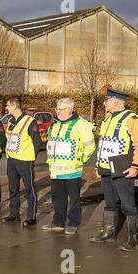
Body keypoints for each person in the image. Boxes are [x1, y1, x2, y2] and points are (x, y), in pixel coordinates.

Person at [90, 88, 138, 252]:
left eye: (106, 100)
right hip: (106, 169)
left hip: (123, 169)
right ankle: (109, 233)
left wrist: (135, 167)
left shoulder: (132, 119)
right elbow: (104, 144)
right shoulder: (107, 119)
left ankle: (132, 239)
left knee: (128, 204)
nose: (104, 103)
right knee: (110, 203)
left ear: (115, 101)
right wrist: (98, 165)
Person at [41, 98, 96, 235]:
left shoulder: (81, 125)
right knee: (57, 198)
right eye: (57, 109)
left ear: (70, 110)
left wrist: (80, 160)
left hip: (73, 170)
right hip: (55, 170)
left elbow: (90, 147)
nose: (58, 112)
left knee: (74, 199)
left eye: (61, 109)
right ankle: (58, 222)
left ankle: (73, 223)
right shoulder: (55, 124)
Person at [3, 97, 42, 227]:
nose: (6, 108)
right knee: (13, 188)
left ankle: (31, 217)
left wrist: (31, 158)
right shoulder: (10, 121)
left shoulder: (30, 122)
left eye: (8, 105)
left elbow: (37, 142)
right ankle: (14, 214)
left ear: (14, 106)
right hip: (12, 160)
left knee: (29, 189)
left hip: (25, 161)